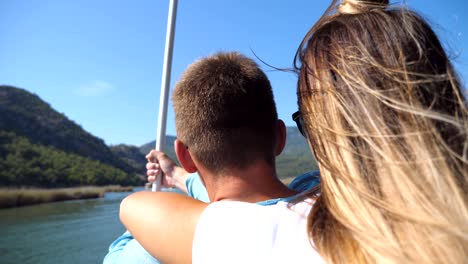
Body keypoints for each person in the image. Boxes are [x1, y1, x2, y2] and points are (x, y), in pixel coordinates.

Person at [120, 0, 468, 263]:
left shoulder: (270, 240)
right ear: (280, 137)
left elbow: (134, 207)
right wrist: (179, 174)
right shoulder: (317, 197)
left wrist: (181, 174)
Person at [103, 51, 320, 264]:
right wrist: (174, 174)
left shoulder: (160, 248)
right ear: (281, 136)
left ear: (185, 156)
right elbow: (238, 193)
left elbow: (133, 208)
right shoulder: (325, 192)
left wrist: (135, 231)